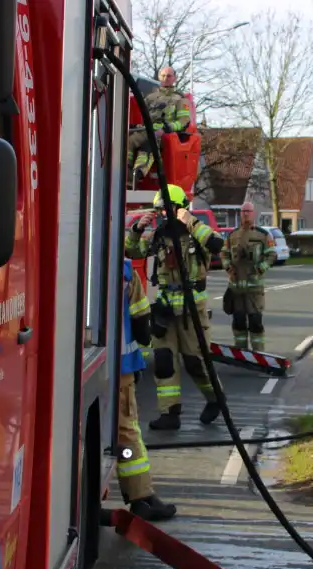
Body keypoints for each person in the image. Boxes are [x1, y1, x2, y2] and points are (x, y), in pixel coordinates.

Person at [125, 183, 224, 431]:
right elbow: (132, 251)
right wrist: (138, 229)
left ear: (180, 209)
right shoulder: (159, 236)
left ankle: (215, 400)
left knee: (195, 362)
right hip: (166, 311)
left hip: (192, 314)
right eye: (159, 211)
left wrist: (190, 220)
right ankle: (170, 413)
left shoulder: (196, 233)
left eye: (167, 210)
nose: (162, 215)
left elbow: (216, 244)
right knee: (164, 360)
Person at [114, 256, 177, 520]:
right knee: (126, 433)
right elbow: (141, 322)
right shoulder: (125, 270)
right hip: (120, 367)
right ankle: (141, 497)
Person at [220, 201, 277, 350]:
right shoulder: (232, 235)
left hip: (254, 289)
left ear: (253, 214)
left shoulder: (263, 235)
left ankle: (259, 354)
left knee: (255, 322)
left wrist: (260, 269)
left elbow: (271, 255)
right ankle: (241, 352)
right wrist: (227, 267)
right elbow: (224, 254)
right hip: (236, 288)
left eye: (248, 211)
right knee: (238, 322)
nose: (245, 214)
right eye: (243, 211)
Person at [127, 66, 192, 183]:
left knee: (150, 143)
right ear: (159, 77)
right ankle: (126, 171)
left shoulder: (180, 99)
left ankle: (138, 173)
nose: (166, 78)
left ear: (174, 78)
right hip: (146, 131)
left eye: (169, 76)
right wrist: (137, 126)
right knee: (129, 140)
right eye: (163, 76)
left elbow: (184, 121)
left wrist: (168, 128)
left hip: (164, 135)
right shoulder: (150, 98)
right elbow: (143, 118)